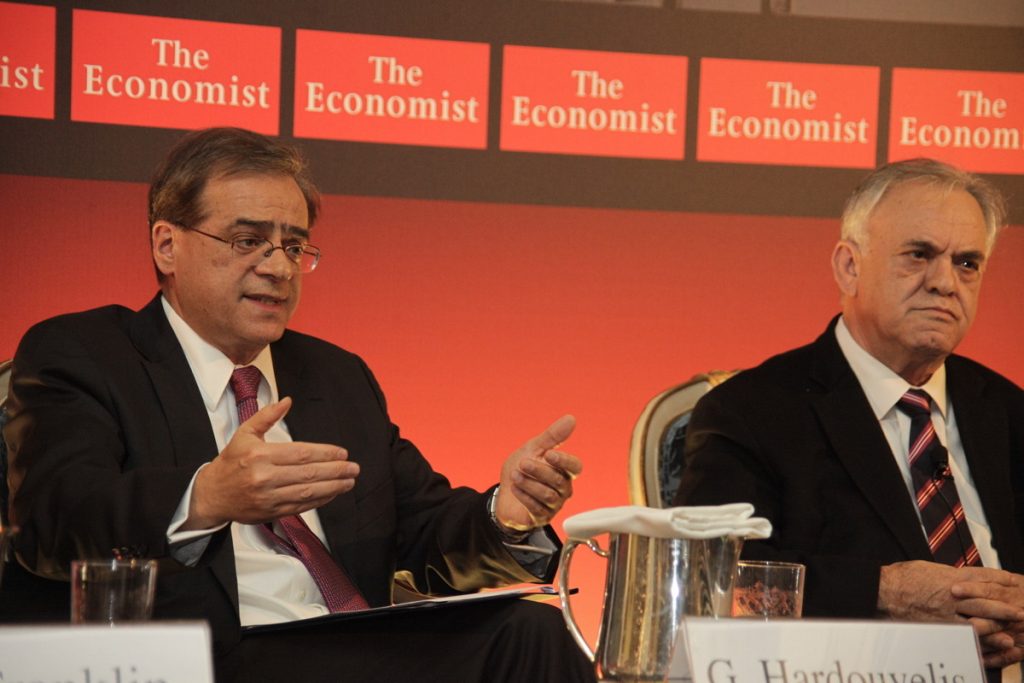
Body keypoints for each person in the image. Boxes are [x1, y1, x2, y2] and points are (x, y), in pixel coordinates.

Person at [4, 127, 595, 682]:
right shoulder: (86, 354)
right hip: (207, 656)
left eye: (294, 246)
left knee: (533, 632)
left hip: (349, 643)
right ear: (167, 245)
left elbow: (421, 532)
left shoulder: (334, 376)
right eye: (248, 241)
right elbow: (54, 521)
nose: (279, 267)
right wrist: (206, 497)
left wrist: (505, 515)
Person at [674, 158, 1024, 678]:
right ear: (849, 266)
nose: (945, 282)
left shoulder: (1008, 410)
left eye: (967, 263)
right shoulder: (752, 412)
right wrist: (885, 593)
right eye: (919, 255)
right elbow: (716, 581)